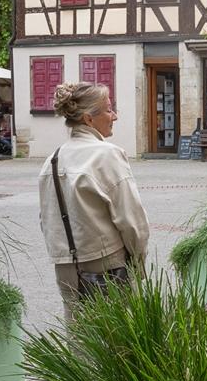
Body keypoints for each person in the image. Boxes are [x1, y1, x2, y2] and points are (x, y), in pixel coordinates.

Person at [38, 82, 150, 321]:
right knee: (116, 344)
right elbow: (132, 220)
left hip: (66, 267)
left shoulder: (53, 160)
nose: (115, 116)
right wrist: (138, 263)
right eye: (109, 110)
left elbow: (46, 220)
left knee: (79, 341)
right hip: (107, 265)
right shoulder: (107, 154)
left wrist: (65, 256)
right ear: (89, 119)